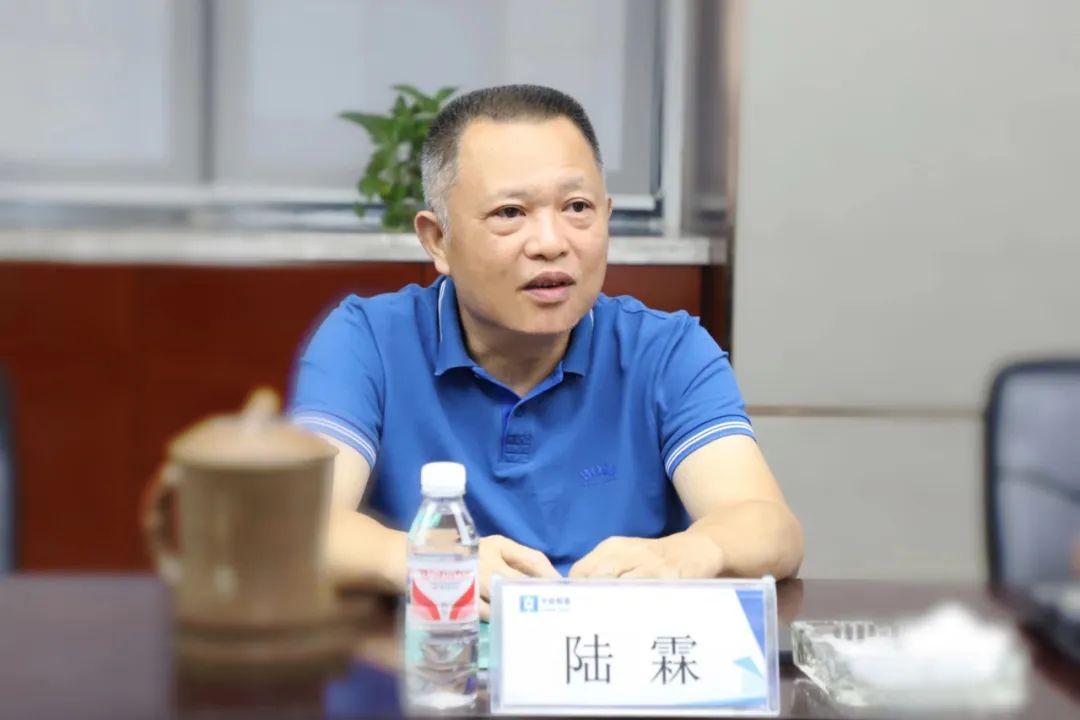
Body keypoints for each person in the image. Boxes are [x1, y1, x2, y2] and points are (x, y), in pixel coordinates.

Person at [290, 85, 802, 616]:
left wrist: (684, 554)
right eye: (510, 212)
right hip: (436, 655)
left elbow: (769, 526)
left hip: (612, 656)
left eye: (577, 207)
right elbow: (296, 522)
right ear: (438, 239)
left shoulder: (666, 351)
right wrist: (430, 559)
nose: (551, 243)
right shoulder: (367, 341)